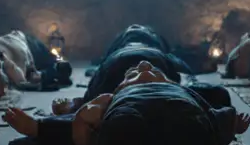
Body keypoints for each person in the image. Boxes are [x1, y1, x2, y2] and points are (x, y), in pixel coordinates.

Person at [4, 60, 250, 145]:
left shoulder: (183, 93)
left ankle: (39, 136)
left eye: (153, 71)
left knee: (108, 130)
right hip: (181, 131)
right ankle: (38, 133)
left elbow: (82, 120)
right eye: (132, 73)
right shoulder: (116, 99)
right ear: (120, 87)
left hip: (139, 130)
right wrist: (227, 125)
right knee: (198, 128)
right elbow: (212, 116)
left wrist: (86, 140)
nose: (144, 66)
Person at [49, 25, 194, 115]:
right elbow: (185, 71)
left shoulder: (114, 57)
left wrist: (79, 104)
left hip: (120, 58)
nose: (135, 27)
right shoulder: (160, 52)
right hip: (149, 58)